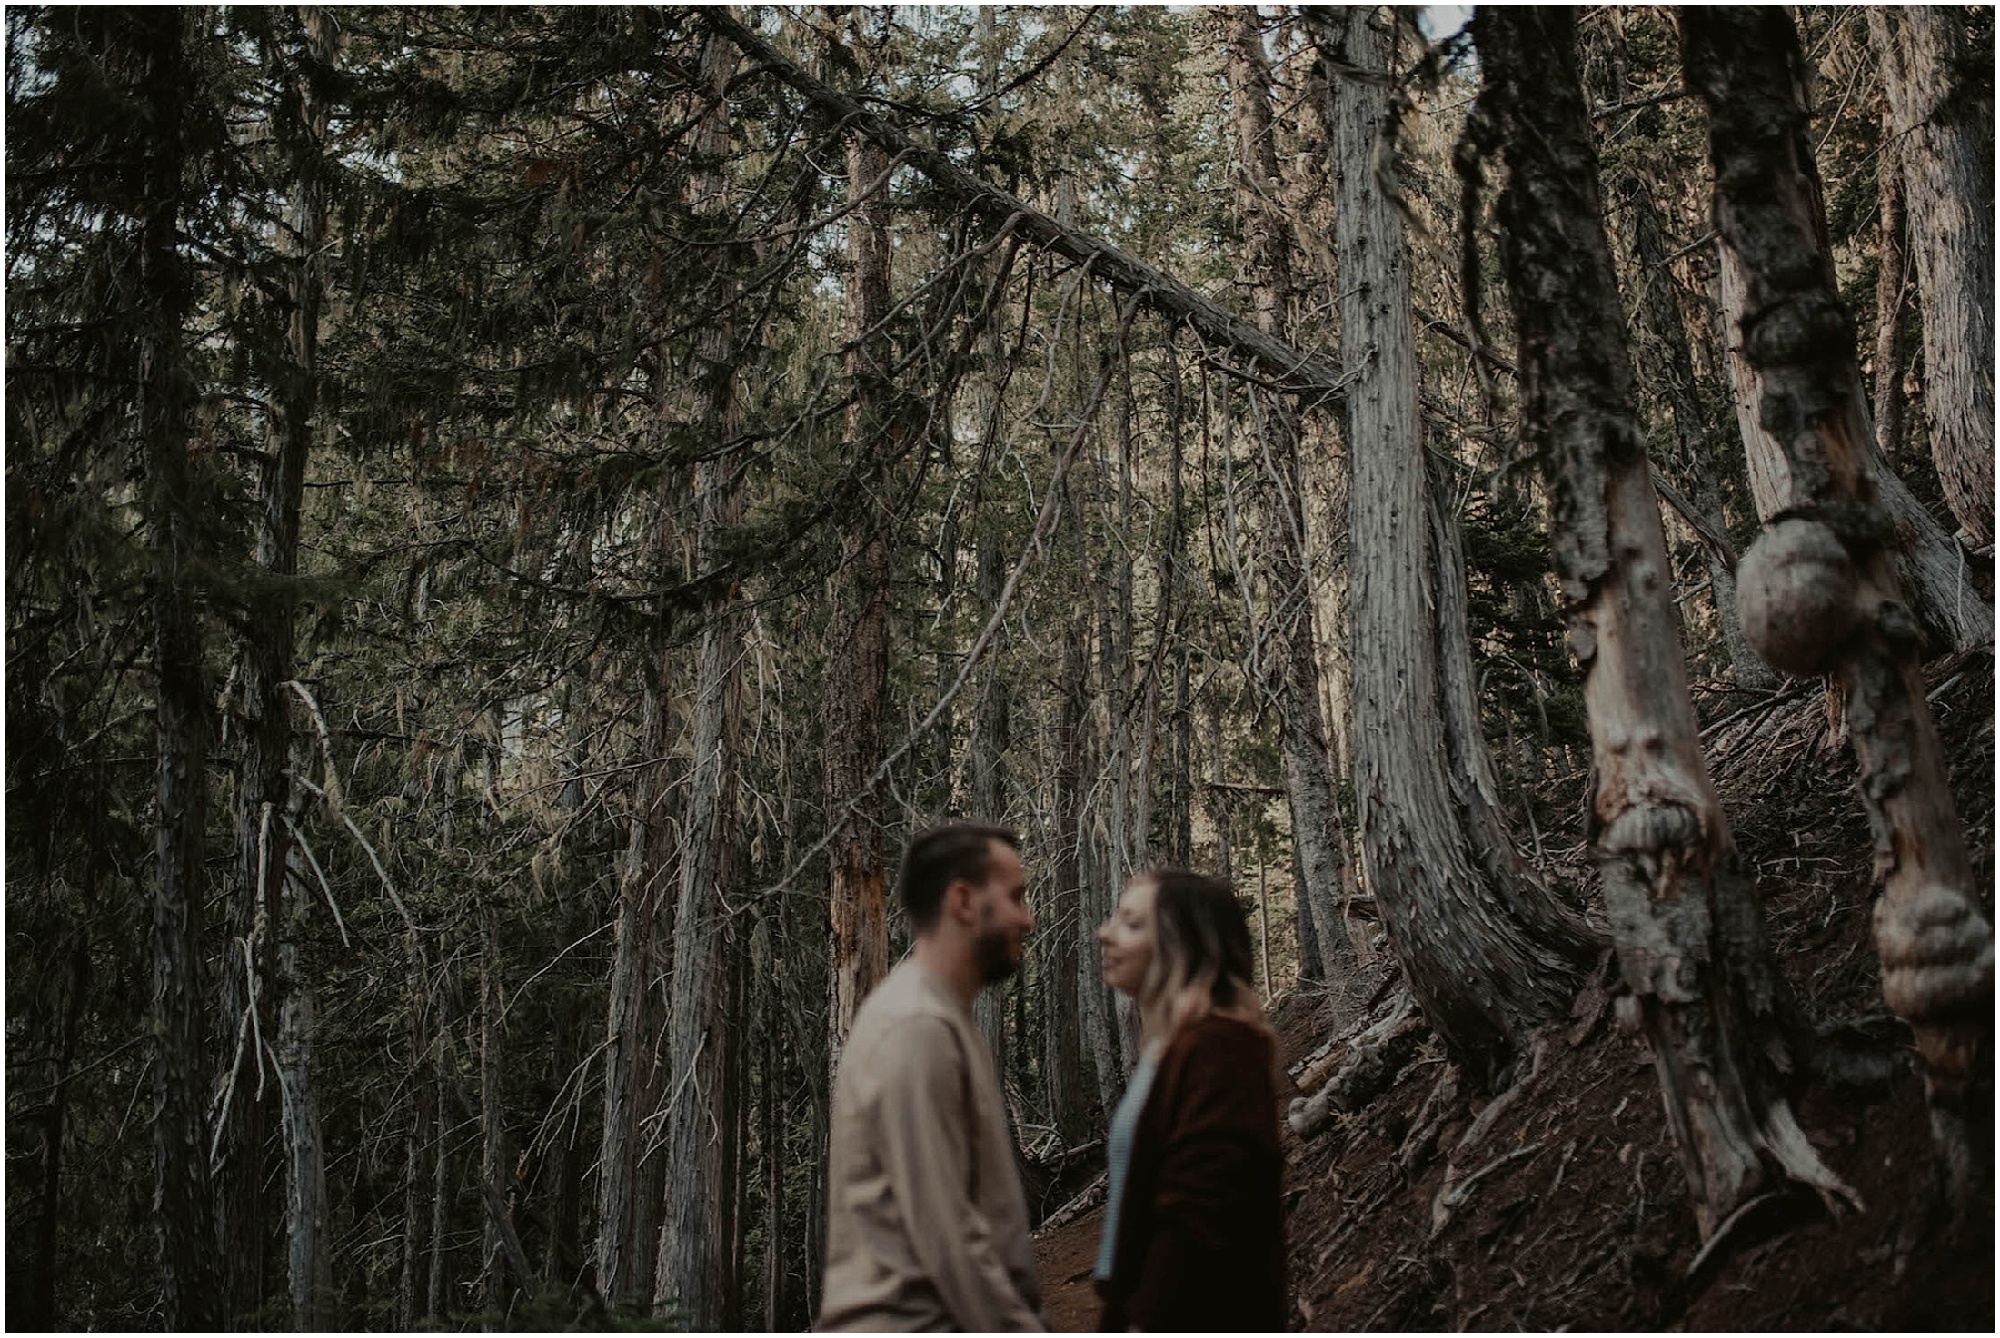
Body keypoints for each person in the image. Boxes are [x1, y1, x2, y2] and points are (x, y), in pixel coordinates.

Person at [818, 822, 1047, 1332]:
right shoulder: (915, 1027)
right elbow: (949, 1238)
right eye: (1016, 897)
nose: (1027, 920)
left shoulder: (939, 1016)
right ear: (963, 901)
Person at [1092, 868, 1286, 1332]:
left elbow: (1202, 1219)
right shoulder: (1173, 1049)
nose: (1105, 933)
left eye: (1132, 924)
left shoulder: (1222, 1049)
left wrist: (1144, 1322)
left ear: (1183, 947)